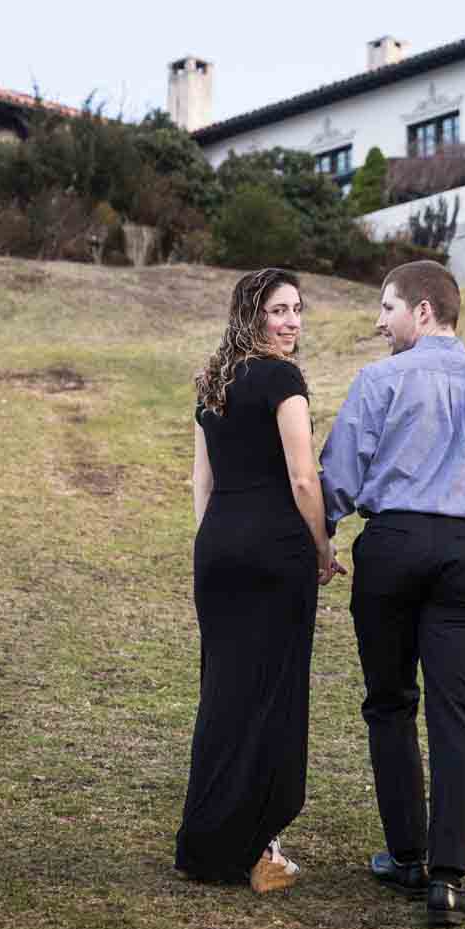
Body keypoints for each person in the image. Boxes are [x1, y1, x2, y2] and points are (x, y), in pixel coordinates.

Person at [319, 260, 465, 928]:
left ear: (423, 311)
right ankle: (448, 877)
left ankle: (406, 855)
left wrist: (320, 543)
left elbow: (338, 475)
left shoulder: (378, 380)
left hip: (391, 546)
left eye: (387, 307)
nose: (378, 320)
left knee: (389, 702)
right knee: (459, 715)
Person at [175, 268, 343, 893]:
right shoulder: (282, 378)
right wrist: (324, 548)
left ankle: (204, 845)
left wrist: (213, 539)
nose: (292, 321)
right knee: (272, 699)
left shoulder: (212, 383)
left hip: (217, 550)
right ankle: (259, 849)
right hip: (275, 553)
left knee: (223, 694)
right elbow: (304, 479)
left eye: (297, 309)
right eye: (278, 310)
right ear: (252, 316)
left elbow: (202, 481)